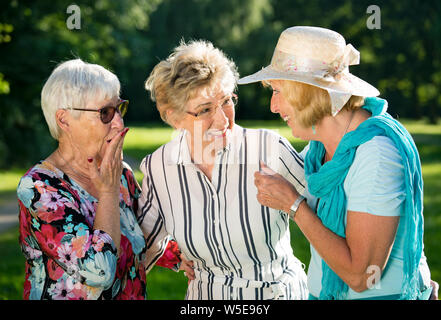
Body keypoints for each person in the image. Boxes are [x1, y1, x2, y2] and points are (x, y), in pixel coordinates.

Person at [239, 26, 437, 300]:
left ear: (307, 92)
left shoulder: (376, 154)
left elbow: (361, 275)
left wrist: (294, 205)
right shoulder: (315, 151)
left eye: (278, 91)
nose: (273, 106)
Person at [138, 40, 309, 300]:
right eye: (205, 109)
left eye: (227, 101)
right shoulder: (159, 167)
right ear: (174, 117)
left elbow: (330, 213)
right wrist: (174, 257)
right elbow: (142, 244)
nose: (222, 119)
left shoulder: (269, 149)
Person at [17, 59, 181, 300]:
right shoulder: (39, 188)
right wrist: (108, 192)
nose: (119, 123)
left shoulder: (119, 173)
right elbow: (99, 271)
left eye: (119, 109)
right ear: (64, 120)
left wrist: (188, 257)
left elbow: (148, 232)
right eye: (105, 113)